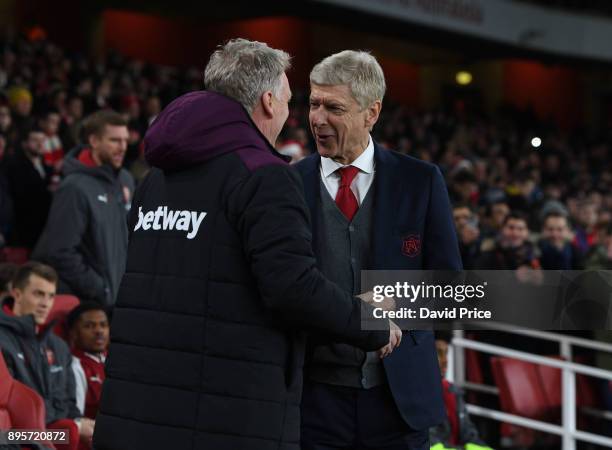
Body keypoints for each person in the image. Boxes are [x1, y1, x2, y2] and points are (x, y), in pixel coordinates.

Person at [93, 39, 396, 450]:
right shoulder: (263, 176)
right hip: (227, 416)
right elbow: (292, 289)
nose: (294, 114)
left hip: (137, 409)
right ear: (269, 101)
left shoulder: (155, 179)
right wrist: (371, 323)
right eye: (291, 100)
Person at [295, 50, 461, 450]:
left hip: (397, 400)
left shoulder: (420, 181)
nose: (318, 118)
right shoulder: (288, 182)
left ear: (372, 112)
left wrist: (393, 296)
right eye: (313, 103)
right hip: (311, 397)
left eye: (334, 107)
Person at [33, 110, 134, 305]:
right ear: (94, 141)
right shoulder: (74, 187)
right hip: (87, 304)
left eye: (125, 140)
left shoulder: (126, 180)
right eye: (114, 140)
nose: (123, 147)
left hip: (117, 300)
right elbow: (61, 252)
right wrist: (100, 289)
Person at [0, 262, 94, 450]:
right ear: (17, 294)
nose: (46, 303)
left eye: (51, 296)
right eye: (38, 294)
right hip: (13, 435)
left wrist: (78, 421)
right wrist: (75, 425)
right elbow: (13, 412)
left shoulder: (58, 345)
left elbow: (69, 402)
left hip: (52, 431)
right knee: (69, 431)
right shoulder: (2, 340)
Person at [430, 332, 492, 450]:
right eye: (438, 353)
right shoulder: (417, 396)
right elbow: (432, 445)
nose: (445, 361)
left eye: (446, 353)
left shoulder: (453, 392)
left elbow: (471, 437)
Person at [4, 126, 53, 249]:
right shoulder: (15, 165)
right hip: (25, 227)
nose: (40, 144)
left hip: (43, 225)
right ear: (25, 143)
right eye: (35, 140)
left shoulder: (45, 165)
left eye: (42, 140)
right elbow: (22, 195)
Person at [67, 302, 109, 421]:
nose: (99, 331)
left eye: (103, 325)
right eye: (89, 326)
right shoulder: (74, 365)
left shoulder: (117, 358)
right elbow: (78, 419)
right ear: (73, 333)